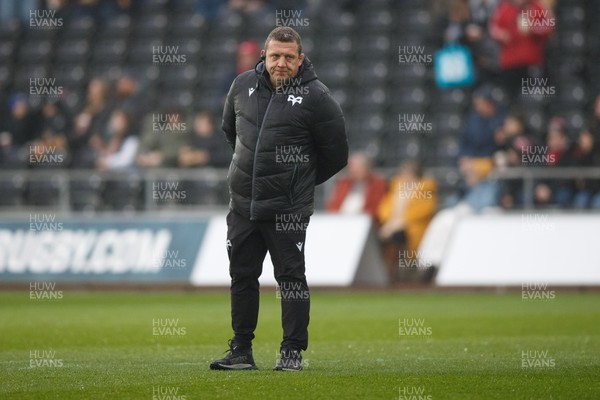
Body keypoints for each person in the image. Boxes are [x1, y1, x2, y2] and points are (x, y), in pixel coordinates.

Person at [210, 26, 348, 371]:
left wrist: (296, 183)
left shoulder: (317, 97)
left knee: (291, 279)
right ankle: (241, 350)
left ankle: (291, 353)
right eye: (275, 56)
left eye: (289, 57)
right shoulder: (241, 86)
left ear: (300, 60)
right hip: (243, 204)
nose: (281, 63)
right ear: (264, 56)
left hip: (287, 208)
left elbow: (336, 154)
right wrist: (253, 175)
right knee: (242, 275)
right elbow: (231, 132)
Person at [377, 161, 438, 283]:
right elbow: (384, 210)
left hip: (414, 229)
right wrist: (390, 224)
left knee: (396, 237)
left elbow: (423, 212)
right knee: (380, 237)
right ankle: (389, 272)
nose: (404, 177)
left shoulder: (425, 189)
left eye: (408, 174)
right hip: (392, 226)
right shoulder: (396, 190)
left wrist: (398, 224)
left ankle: (396, 273)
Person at [489, 0, 555, 99]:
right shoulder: (505, 8)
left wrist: (532, 29)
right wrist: (501, 35)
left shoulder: (537, 7)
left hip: (532, 61)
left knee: (533, 96)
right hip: (510, 63)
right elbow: (494, 29)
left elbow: (548, 27)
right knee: (510, 97)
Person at [325, 152, 387, 221]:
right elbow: (333, 205)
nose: (353, 172)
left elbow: (374, 209)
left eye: (357, 169)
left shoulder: (377, 184)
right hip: (339, 220)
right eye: (351, 168)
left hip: (364, 222)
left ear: (367, 168)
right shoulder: (344, 183)